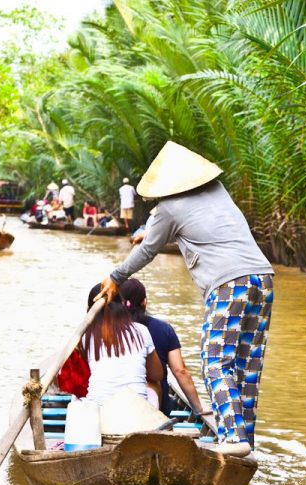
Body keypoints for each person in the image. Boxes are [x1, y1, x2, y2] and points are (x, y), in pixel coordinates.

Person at [97, 142, 274, 456]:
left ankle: (232, 439)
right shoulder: (218, 191)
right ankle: (246, 440)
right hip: (262, 278)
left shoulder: (168, 209)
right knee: (247, 366)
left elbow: (149, 249)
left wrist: (116, 276)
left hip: (228, 284)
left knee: (215, 361)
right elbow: (193, 225)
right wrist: (148, 231)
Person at [119, 278, 205, 419]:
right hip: (157, 404)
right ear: (144, 302)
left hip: (116, 401)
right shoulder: (164, 329)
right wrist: (198, 408)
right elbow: (180, 370)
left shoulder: (108, 331)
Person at [81, 283, 164, 408]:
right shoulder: (142, 330)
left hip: (99, 405)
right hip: (136, 406)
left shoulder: (85, 336)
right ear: (122, 306)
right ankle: (156, 419)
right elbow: (157, 375)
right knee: (154, 384)